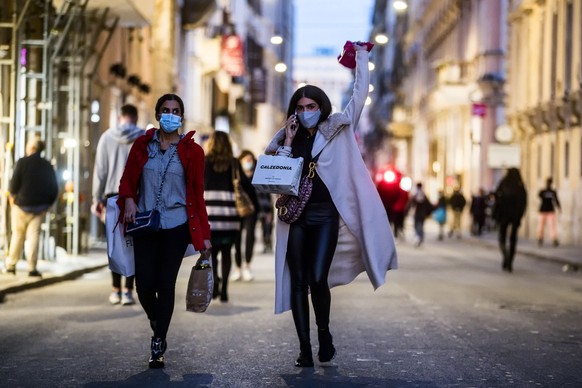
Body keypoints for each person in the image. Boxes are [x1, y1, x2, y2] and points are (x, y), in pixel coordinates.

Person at [264, 42, 397, 368]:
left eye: (311, 105)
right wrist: (289, 143)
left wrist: (362, 57)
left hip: (325, 216)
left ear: (321, 106)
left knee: (317, 277)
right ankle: (304, 348)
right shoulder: (286, 138)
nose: (306, 110)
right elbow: (278, 179)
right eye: (300, 106)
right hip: (294, 216)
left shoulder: (338, 127)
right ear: (294, 110)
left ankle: (323, 332)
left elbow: (360, 93)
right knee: (296, 280)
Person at [116, 93, 211, 369]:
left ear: (182, 116)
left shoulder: (193, 152)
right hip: (145, 223)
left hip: (177, 225)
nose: (171, 114)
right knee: (143, 285)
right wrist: (130, 199)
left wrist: (204, 234)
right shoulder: (142, 145)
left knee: (165, 283)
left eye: (176, 110)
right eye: (166, 110)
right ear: (158, 115)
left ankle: (158, 341)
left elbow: (197, 194)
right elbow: (127, 180)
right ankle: (156, 319)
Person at [92, 103, 143, 306]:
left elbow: (100, 170)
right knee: (132, 244)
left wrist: (97, 198)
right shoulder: (142, 138)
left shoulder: (106, 137)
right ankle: (128, 290)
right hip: (137, 196)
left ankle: (115, 289)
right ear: (135, 118)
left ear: (120, 117)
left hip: (112, 195)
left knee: (114, 244)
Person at [204, 132, 255, 301]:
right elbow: (248, 187)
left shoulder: (204, 162)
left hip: (209, 218)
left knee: (211, 254)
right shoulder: (234, 163)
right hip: (230, 218)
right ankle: (225, 288)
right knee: (227, 252)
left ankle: (215, 283)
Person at [2, 136, 58, 277]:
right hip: (39, 209)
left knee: (17, 235)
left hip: (21, 206)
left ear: (32, 148)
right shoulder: (47, 165)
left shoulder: (22, 162)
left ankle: (11, 265)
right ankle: (32, 267)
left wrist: (12, 198)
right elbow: (54, 188)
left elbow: (13, 184)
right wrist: (47, 204)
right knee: (34, 237)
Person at [232, 150, 260, 282]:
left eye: (251, 159)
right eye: (246, 159)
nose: (249, 162)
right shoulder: (236, 173)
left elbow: (263, 195)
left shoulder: (257, 174)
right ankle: (237, 268)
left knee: (250, 237)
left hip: (252, 210)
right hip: (238, 209)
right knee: (236, 239)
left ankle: (247, 266)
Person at [493, 168, 527, 273]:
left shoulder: (503, 184)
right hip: (515, 216)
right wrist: (520, 215)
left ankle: (506, 256)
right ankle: (510, 261)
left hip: (504, 215)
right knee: (513, 239)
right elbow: (524, 203)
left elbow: (496, 197)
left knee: (502, 237)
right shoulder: (520, 187)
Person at [406, 182, 434, 247]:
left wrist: (406, 212)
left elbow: (410, 204)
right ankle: (421, 237)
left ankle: (418, 237)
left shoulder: (415, 195)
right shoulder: (424, 195)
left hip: (417, 213)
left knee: (416, 226)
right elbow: (428, 205)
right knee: (421, 226)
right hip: (423, 214)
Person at [537, 177, 561, 247]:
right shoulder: (543, 191)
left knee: (552, 226)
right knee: (541, 226)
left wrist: (559, 207)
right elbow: (539, 195)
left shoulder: (552, 192)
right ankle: (540, 238)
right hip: (543, 211)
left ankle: (554, 239)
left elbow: (556, 200)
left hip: (550, 211)